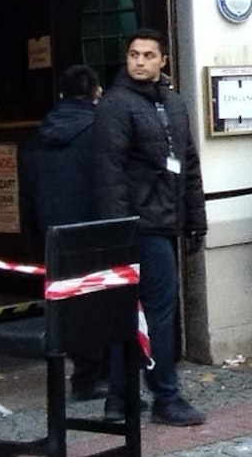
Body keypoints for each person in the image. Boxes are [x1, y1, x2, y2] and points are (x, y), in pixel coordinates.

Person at [92, 29, 207, 426]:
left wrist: (196, 222)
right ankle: (163, 396)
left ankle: (122, 398)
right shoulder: (115, 104)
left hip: (164, 222)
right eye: (133, 54)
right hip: (138, 226)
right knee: (148, 313)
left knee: (150, 312)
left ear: (163, 61)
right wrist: (119, 230)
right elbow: (109, 174)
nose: (139, 61)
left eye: (148, 55)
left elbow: (189, 165)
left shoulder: (174, 104)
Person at [22, 65, 104, 400]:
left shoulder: (37, 135)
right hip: (93, 228)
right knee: (100, 303)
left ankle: (76, 372)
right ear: (96, 93)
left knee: (65, 303)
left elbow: (27, 193)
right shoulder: (99, 130)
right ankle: (91, 377)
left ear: (60, 95)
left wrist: (34, 234)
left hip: (51, 230)